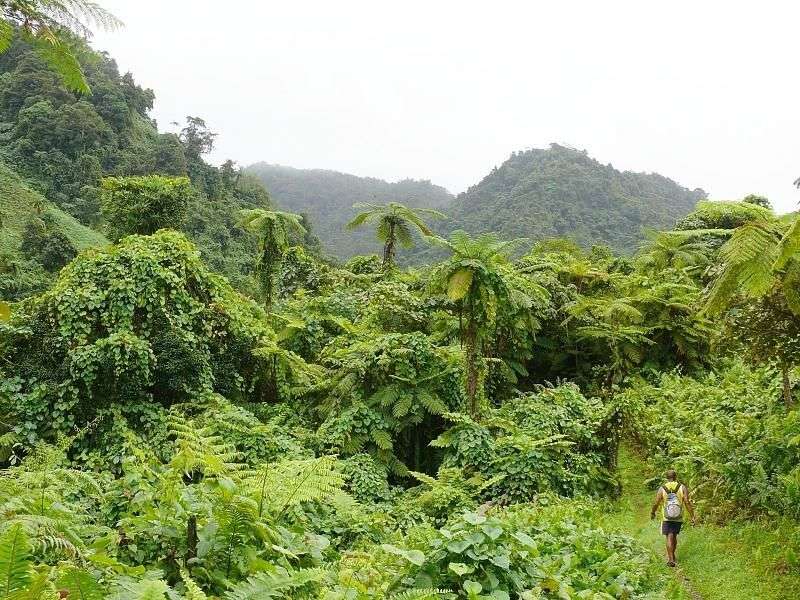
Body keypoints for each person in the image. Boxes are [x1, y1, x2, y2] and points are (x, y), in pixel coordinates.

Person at [650, 469, 695, 567]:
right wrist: (692, 515)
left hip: (666, 516)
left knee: (669, 535)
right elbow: (687, 502)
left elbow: (656, 502)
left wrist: (653, 512)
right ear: (675, 477)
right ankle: (672, 556)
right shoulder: (682, 487)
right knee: (674, 535)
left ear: (667, 478)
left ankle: (671, 559)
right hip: (678, 515)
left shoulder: (662, 488)